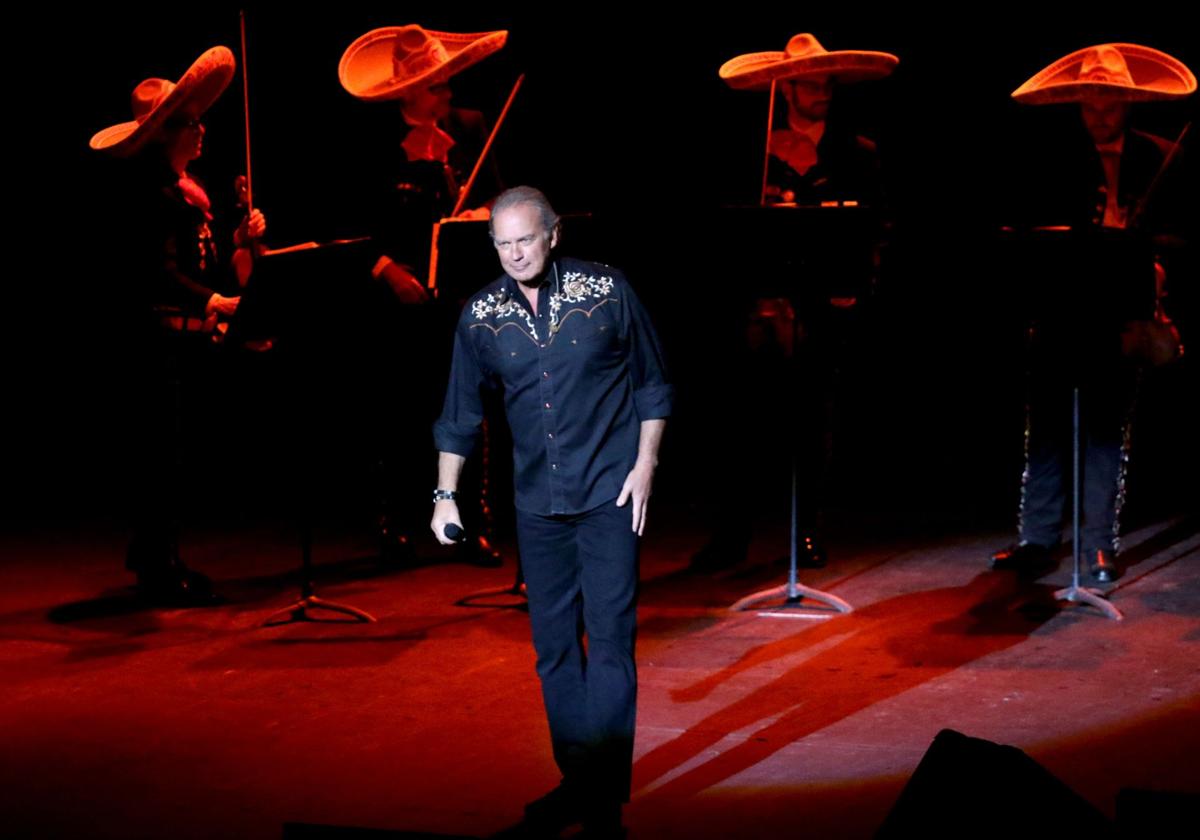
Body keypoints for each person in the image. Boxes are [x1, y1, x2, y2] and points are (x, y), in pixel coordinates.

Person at [430, 186, 671, 838]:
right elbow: (459, 414)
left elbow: (652, 383)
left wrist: (645, 463)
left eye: (525, 240)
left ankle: (602, 804)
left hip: (610, 495)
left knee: (612, 646)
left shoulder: (606, 291)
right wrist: (445, 495)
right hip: (537, 504)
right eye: (502, 243)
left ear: (553, 234)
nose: (514, 254)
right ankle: (581, 782)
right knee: (555, 651)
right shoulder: (480, 315)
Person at [991, 43, 1195, 583]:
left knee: (1107, 430)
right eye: (1090, 104)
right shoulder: (1052, 158)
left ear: (1127, 103)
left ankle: (1098, 542)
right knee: (1049, 427)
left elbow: (1181, 232)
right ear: (1078, 103)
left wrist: (1148, 255)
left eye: (1110, 104)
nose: (1100, 115)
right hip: (1062, 306)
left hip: (1123, 309)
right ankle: (1037, 537)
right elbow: (1024, 229)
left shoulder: (1158, 157)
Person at [694, 34, 897, 570]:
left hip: (819, 304)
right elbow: (721, 225)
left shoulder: (857, 152)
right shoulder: (753, 147)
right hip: (756, 306)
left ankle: (806, 530)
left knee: (813, 423)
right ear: (786, 88)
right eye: (810, 82)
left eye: (826, 82)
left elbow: (874, 227)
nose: (822, 91)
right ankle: (732, 533)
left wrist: (857, 280)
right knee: (741, 424)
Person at [90, 45, 267, 605]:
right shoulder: (152, 199)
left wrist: (238, 245)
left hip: (178, 343)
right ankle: (158, 564)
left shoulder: (188, 195)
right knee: (160, 457)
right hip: (152, 344)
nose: (201, 131)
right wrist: (215, 298)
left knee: (173, 454)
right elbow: (160, 276)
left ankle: (156, 557)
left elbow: (196, 264)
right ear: (166, 134)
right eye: (190, 123)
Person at [340, 24, 508, 564]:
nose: (449, 93)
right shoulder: (370, 144)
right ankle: (393, 525)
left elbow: (499, 198)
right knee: (398, 412)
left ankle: (472, 524)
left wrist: (483, 216)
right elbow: (353, 227)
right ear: (411, 91)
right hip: (397, 297)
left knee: (469, 410)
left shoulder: (469, 127)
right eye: (438, 86)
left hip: (459, 293)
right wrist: (387, 269)